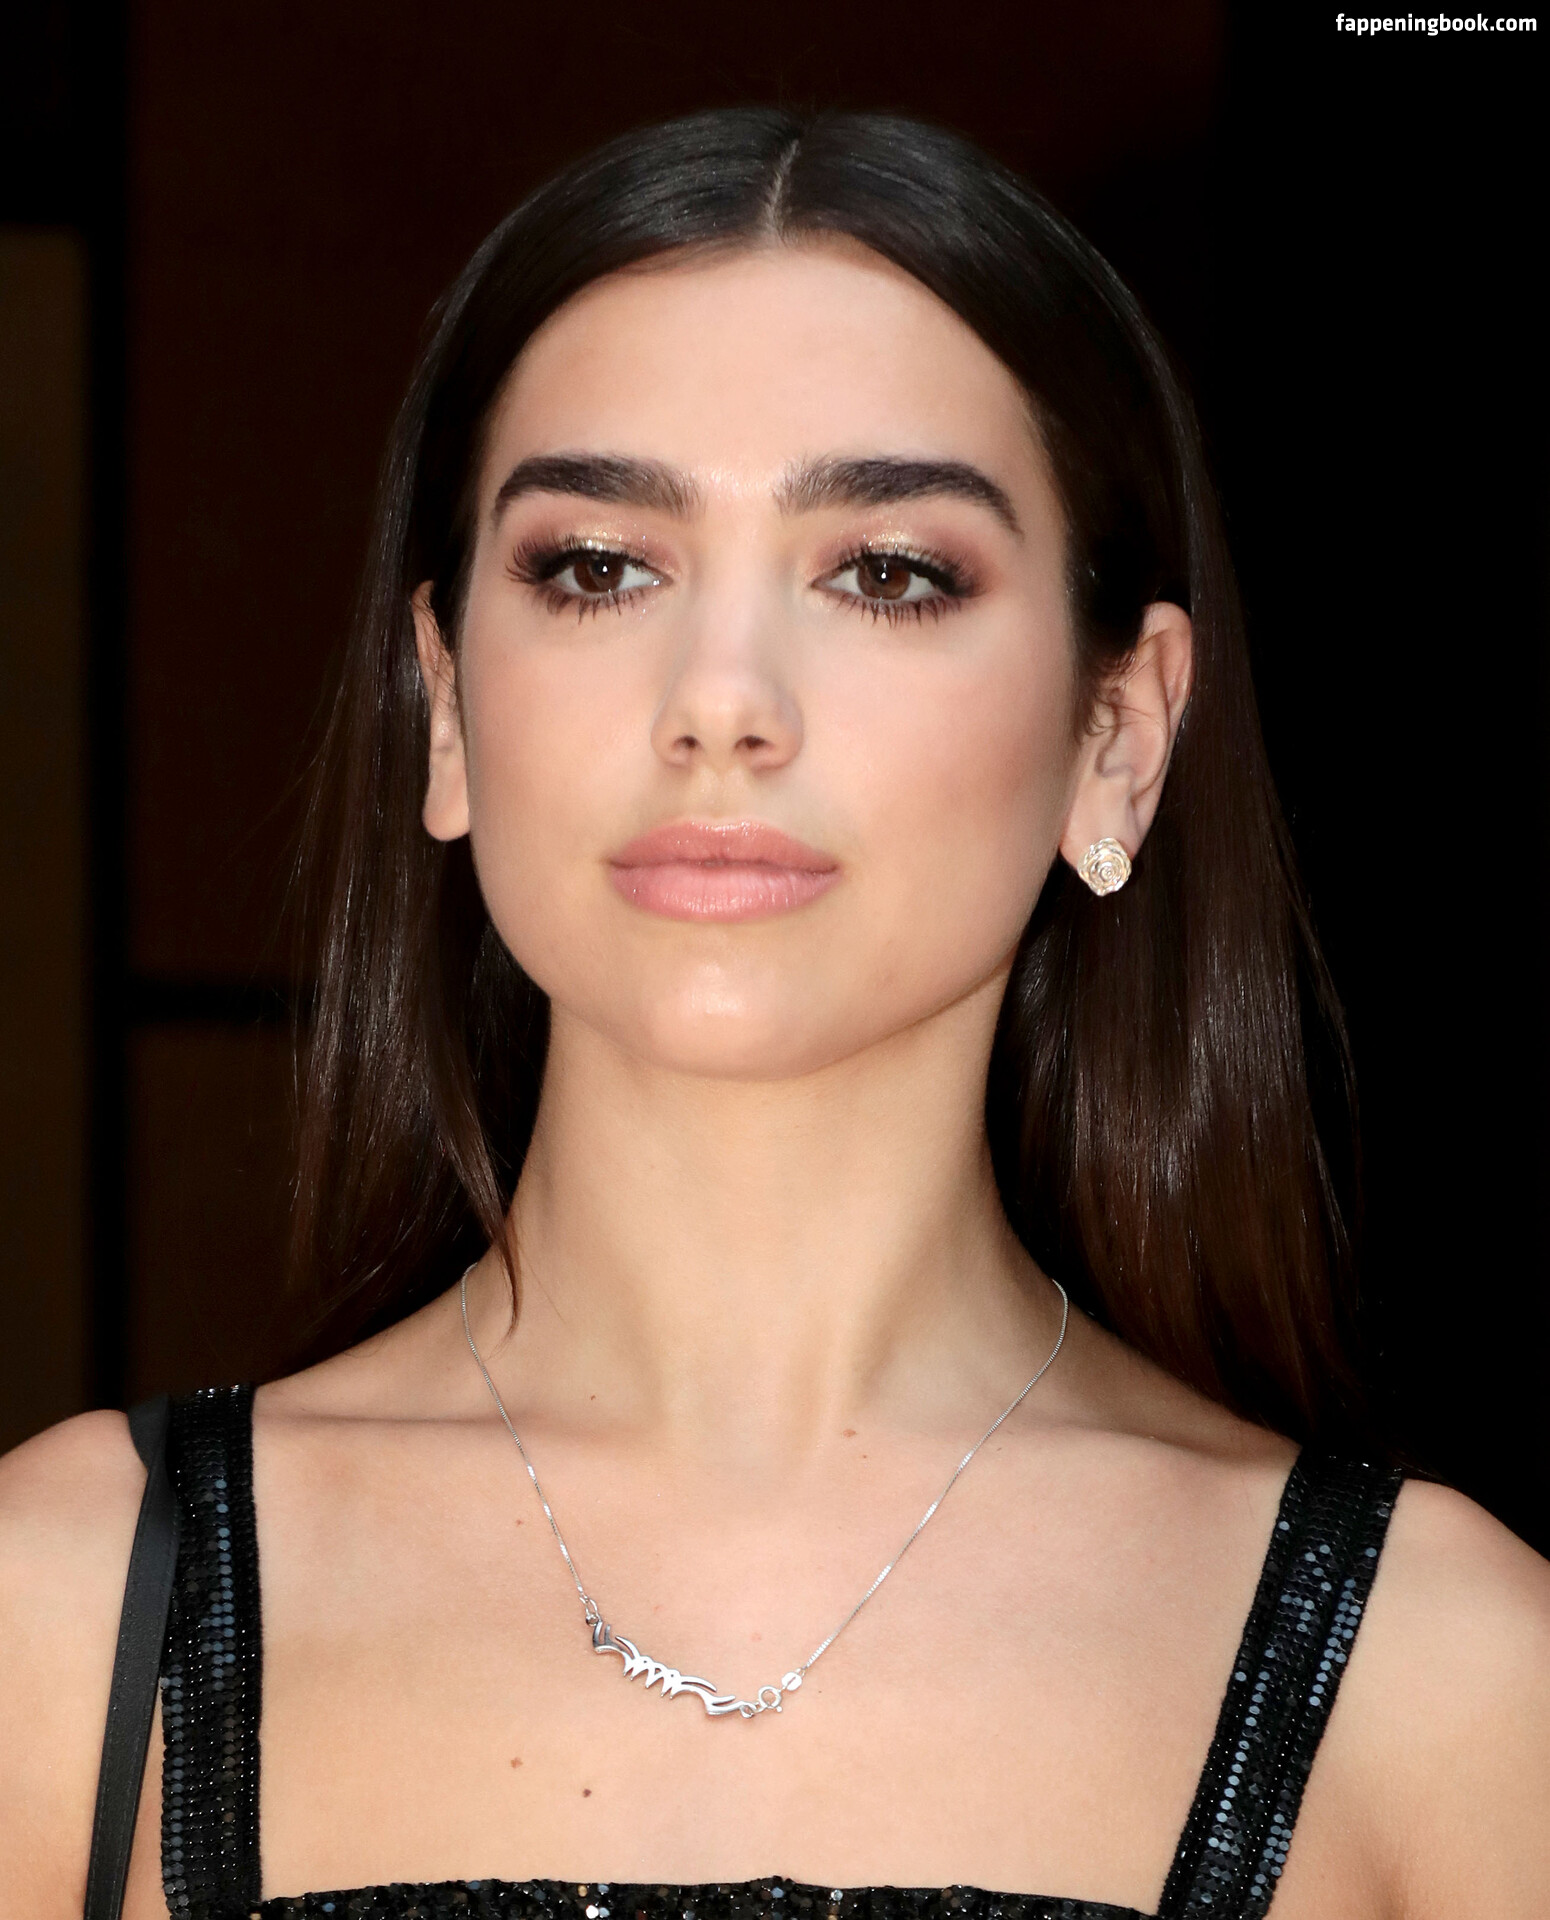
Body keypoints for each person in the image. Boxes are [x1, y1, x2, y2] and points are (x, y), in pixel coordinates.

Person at [1, 108, 1545, 1920]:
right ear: (445, 705)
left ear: (1117, 735)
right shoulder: (63, 1612)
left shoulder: (1446, 1686)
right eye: (598, 566)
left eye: (885, 572)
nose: (721, 703)